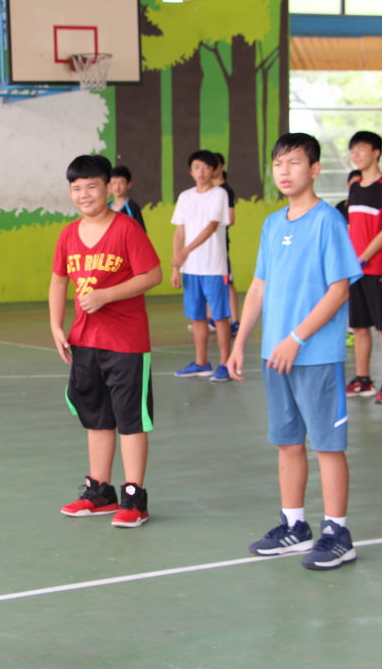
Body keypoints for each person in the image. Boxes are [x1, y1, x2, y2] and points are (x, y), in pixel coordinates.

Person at [227, 132, 362, 570]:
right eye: (278, 164)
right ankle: (294, 526)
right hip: (276, 355)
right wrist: (240, 341)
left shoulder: (328, 221)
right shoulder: (272, 224)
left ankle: (337, 534)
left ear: (315, 169)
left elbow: (338, 290)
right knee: (287, 443)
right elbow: (259, 287)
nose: (284, 172)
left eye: (295, 163)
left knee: (327, 446)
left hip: (314, 354)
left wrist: (296, 338)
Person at [51, 154, 162, 528]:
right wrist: (56, 326)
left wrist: (106, 295)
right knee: (96, 418)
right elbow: (59, 281)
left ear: (108, 187)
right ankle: (99, 491)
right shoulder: (68, 235)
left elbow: (153, 274)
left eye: (91, 186)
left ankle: (134, 497)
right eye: (76, 188)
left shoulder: (127, 229)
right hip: (85, 340)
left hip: (126, 343)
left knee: (130, 420)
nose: (84, 194)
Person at [344, 131, 382, 403]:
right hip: (355, 270)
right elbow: (351, 228)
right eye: (352, 150)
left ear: (376, 152)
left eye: (361, 149)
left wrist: (364, 257)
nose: (355, 154)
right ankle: (363, 379)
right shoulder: (355, 188)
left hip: (378, 269)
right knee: (359, 326)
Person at [171, 149, 232, 382]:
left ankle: (225, 364)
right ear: (190, 171)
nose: (202, 172)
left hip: (214, 268)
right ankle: (201, 362)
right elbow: (179, 231)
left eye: (207, 167)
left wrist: (186, 251)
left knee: (220, 317)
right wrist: (176, 265)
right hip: (191, 269)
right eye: (197, 167)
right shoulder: (185, 197)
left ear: (215, 170)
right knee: (197, 317)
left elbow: (211, 227)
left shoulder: (219, 194)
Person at [213, 152, 240, 337]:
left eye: (212, 166)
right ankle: (210, 319)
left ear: (221, 167)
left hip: (220, 243)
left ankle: (235, 321)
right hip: (206, 246)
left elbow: (231, 219)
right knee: (210, 279)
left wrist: (211, 223)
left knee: (227, 281)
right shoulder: (208, 192)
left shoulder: (225, 191)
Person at [108, 165, 145, 231]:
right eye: (114, 183)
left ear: (128, 185)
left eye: (121, 183)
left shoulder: (132, 207)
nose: (117, 187)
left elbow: (141, 231)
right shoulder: (107, 207)